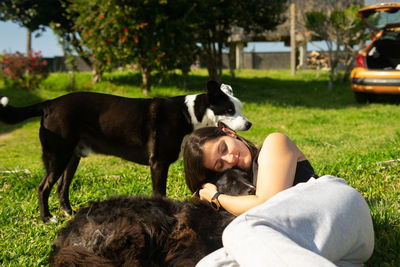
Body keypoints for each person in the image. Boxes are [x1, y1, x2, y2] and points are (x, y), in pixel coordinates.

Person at [183, 123, 374, 267]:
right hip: (326, 243)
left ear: (229, 132)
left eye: (223, 148)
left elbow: (265, 202)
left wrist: (216, 198)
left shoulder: (273, 143)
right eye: (220, 165)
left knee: (240, 231)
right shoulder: (242, 186)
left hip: (336, 205)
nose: (229, 160)